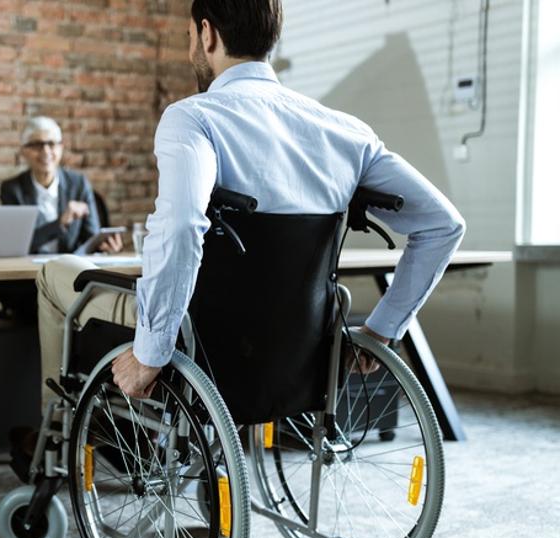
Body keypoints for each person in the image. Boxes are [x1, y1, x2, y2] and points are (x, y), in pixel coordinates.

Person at [34, 0, 465, 410]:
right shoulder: (346, 133)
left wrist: (150, 352)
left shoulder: (194, 118)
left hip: (203, 336)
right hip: (298, 345)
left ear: (206, 34)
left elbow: (183, 226)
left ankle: (53, 438)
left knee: (53, 274)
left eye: (188, 36)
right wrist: (381, 330)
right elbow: (443, 225)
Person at [0, 116, 123, 255]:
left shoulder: (79, 184)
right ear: (23, 151)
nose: (46, 151)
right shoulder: (12, 189)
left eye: (52, 144)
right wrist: (60, 223)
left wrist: (106, 246)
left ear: (61, 148)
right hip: (28, 270)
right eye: (36, 145)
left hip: (71, 270)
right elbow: (17, 244)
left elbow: (91, 239)